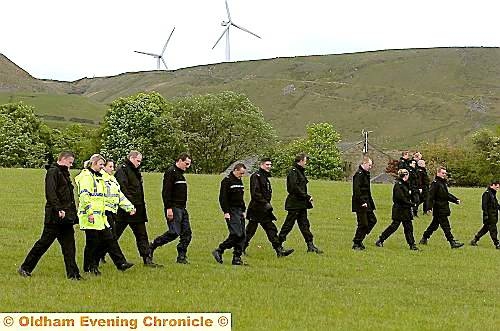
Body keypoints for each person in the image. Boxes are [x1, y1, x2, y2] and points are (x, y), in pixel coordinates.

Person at [18, 151, 83, 280]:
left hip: (66, 218)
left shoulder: (64, 173)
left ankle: (73, 274)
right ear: (63, 159)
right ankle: (25, 268)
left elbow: (68, 195)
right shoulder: (53, 172)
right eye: (70, 162)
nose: (70, 165)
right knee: (43, 243)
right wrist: (58, 209)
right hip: (55, 217)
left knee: (69, 246)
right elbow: (51, 193)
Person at [75, 154, 135, 275]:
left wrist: (129, 207)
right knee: (93, 242)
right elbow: (85, 195)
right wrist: (89, 212)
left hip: (101, 215)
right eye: (101, 164)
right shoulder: (87, 176)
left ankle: (93, 266)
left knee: (106, 238)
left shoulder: (101, 177)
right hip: (91, 215)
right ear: (94, 163)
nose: (102, 167)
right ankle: (91, 267)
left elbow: (112, 196)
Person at [114, 150, 161, 267]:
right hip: (125, 210)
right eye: (138, 160)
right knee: (114, 235)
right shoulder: (122, 170)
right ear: (131, 158)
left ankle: (147, 259)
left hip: (138, 209)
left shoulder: (135, 171)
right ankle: (99, 255)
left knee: (142, 235)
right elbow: (122, 189)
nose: (139, 163)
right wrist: (129, 206)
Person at [244, 158, 294, 257]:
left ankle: (279, 250)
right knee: (251, 230)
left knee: (270, 229)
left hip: (264, 209)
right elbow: (255, 193)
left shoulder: (264, 177)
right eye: (267, 164)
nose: (269, 166)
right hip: (256, 208)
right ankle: (240, 248)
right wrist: (264, 203)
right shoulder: (256, 176)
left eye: (270, 164)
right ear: (261, 165)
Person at [149, 153, 192, 264]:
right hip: (174, 208)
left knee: (187, 234)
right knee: (174, 232)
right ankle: (152, 245)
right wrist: (169, 208)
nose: (187, 167)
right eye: (186, 164)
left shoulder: (181, 175)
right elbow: (166, 192)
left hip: (182, 209)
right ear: (180, 160)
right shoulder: (171, 172)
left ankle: (181, 257)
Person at [278, 153, 323, 254]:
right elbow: (294, 188)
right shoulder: (293, 172)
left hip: (301, 204)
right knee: (288, 224)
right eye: (305, 161)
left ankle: (310, 245)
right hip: (294, 204)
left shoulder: (299, 171)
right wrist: (306, 196)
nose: (306, 163)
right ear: (301, 161)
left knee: (304, 225)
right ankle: (278, 244)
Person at [212, 163, 248, 265]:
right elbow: (223, 198)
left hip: (239, 210)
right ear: (235, 170)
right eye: (241, 173)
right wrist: (226, 212)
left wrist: (243, 209)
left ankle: (237, 257)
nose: (242, 175)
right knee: (236, 234)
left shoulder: (239, 181)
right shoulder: (227, 181)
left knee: (242, 235)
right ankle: (220, 249)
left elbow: (240, 197)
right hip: (231, 211)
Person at [419, 167, 464, 248]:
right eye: (443, 173)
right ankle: (452, 242)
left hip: (444, 207)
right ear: (438, 173)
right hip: (439, 208)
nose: (444, 175)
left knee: (434, 225)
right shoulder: (435, 184)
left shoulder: (442, 183)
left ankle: (424, 238)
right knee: (446, 226)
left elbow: (446, 195)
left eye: (445, 173)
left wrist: (455, 200)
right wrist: (429, 208)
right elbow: (430, 196)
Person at [375, 169, 418, 250]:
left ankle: (412, 245)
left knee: (408, 227)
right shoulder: (398, 185)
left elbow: (411, 194)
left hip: (406, 210)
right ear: (405, 175)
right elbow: (401, 199)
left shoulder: (406, 184)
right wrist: (412, 204)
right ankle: (381, 239)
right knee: (394, 226)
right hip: (399, 209)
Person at [351, 156, 377, 250]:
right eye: (369, 165)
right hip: (360, 203)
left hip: (367, 202)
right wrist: (362, 202)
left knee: (373, 220)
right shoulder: (359, 175)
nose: (370, 167)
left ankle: (360, 239)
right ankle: (356, 242)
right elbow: (356, 190)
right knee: (363, 223)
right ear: (364, 163)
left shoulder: (366, 174)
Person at [470, 180, 500, 248]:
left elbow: (496, 204)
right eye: (497, 187)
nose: (497, 189)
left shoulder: (493, 194)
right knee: (493, 229)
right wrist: (486, 215)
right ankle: (497, 244)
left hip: (493, 215)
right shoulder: (487, 194)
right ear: (492, 185)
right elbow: (484, 205)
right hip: (490, 216)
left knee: (485, 229)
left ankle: (474, 240)